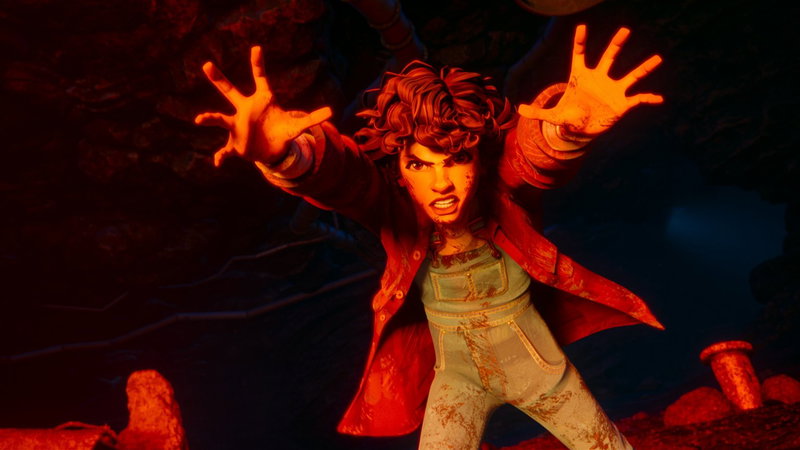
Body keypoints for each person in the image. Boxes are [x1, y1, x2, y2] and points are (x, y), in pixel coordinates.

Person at [195, 24, 664, 449]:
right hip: (457, 381)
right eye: (420, 164)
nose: (441, 184)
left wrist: (567, 131)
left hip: (541, 372)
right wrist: (282, 156)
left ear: (479, 159)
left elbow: (531, 157)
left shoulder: (501, 189)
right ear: (399, 168)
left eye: (456, 160)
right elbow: (340, 176)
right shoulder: (391, 206)